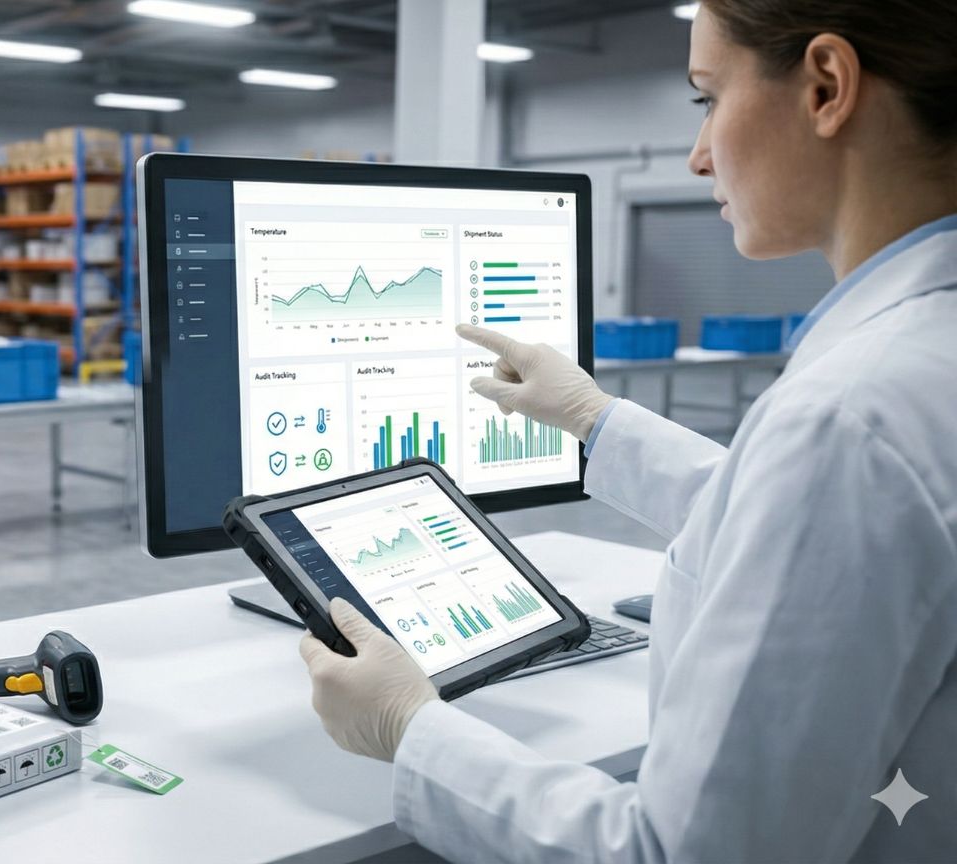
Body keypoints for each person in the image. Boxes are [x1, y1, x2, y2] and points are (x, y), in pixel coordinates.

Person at [298, 1, 957, 860]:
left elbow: (677, 853)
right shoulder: (912, 366)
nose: (696, 153)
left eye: (707, 98)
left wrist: (414, 728)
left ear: (827, 87)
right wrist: (593, 419)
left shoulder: (848, 419)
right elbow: (811, 525)